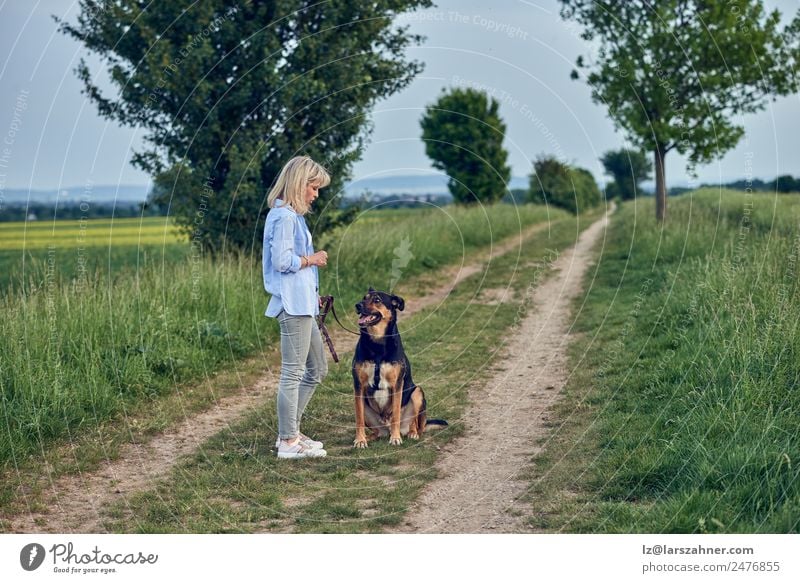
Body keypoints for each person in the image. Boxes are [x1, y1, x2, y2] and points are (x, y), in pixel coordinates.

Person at [263, 155, 331, 459]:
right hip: (292, 308)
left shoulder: (293, 216)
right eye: (313, 187)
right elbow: (281, 262)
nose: (315, 194)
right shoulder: (284, 218)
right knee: (293, 372)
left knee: (317, 368)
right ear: (299, 184)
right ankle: (288, 442)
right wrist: (312, 259)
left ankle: (291, 432)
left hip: (304, 305)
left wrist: (312, 291)